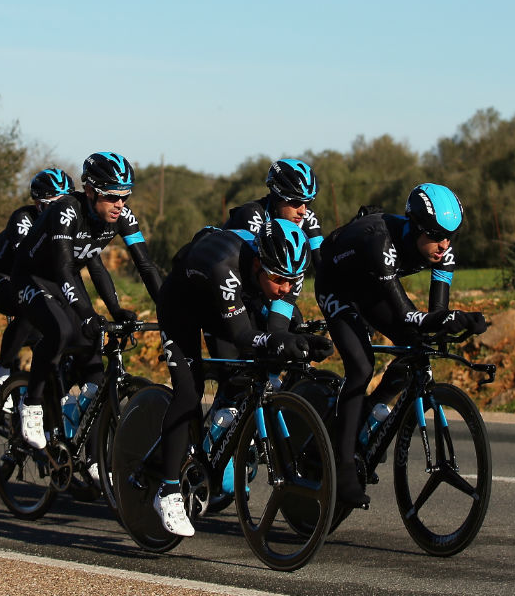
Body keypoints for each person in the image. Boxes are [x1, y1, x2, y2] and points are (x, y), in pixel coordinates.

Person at [151, 216, 328, 537]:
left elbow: (275, 329)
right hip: (183, 306)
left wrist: (299, 344)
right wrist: (278, 341)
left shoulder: (285, 272)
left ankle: (220, 435)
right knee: (189, 392)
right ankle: (167, 490)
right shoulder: (224, 263)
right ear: (259, 262)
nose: (286, 288)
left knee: (265, 358)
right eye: (279, 280)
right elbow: (243, 334)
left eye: (293, 281)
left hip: (227, 302)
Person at [314, 182, 486, 510]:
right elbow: (408, 316)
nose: (444, 245)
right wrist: (450, 320)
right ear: (417, 228)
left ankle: (366, 412)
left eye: (450, 236)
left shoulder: (443, 246)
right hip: (337, 283)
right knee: (361, 366)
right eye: (436, 236)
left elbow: (435, 316)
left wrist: (454, 322)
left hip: (374, 284)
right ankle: (343, 464)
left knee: (418, 347)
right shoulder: (381, 244)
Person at [11, 152, 164, 451]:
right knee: (61, 330)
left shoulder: (123, 217)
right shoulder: (66, 211)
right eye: (112, 196)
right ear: (91, 190)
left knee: (94, 344)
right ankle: (31, 403)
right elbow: (64, 268)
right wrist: (86, 313)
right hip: (32, 278)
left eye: (125, 196)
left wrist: (163, 309)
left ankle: (90, 451)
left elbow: (145, 266)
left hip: (63, 280)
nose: (120, 204)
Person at [0, 168, 73, 403]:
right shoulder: (23, 219)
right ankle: (2, 370)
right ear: (38, 204)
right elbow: (27, 263)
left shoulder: (69, 223)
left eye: (65, 204)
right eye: (52, 205)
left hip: (34, 279)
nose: (60, 211)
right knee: (28, 302)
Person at [222, 157, 324, 331]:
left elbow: (324, 265)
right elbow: (251, 282)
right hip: (235, 290)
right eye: (295, 202)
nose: (303, 210)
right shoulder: (252, 216)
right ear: (277, 196)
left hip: (272, 288)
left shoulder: (305, 216)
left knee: (293, 329)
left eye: (307, 203)